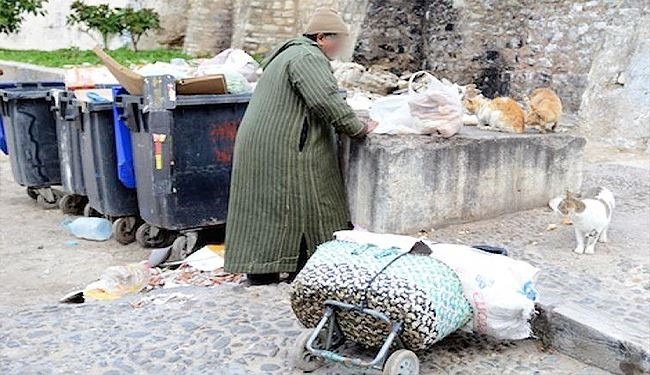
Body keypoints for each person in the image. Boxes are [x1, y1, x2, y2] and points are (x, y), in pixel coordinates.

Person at [224, 8, 377, 285]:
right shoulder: (307, 56)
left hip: (264, 142)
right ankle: (301, 264)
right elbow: (326, 100)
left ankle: (264, 270)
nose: (341, 47)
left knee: (268, 208)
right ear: (320, 38)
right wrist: (359, 127)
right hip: (281, 144)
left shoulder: (290, 54)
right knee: (300, 201)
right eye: (338, 41)